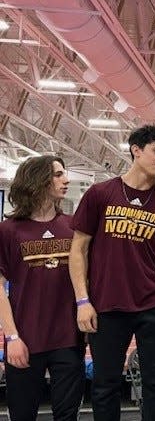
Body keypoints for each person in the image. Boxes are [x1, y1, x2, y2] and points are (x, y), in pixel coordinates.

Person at [69, 124, 155, 421]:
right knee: (105, 384)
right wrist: (82, 300)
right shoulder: (100, 194)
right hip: (107, 304)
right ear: (136, 151)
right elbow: (78, 249)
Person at [0, 156, 83, 420]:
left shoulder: (74, 227)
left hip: (69, 338)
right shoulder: (9, 230)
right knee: (22, 414)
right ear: (37, 180)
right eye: (58, 175)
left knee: (67, 415)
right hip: (24, 338)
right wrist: (12, 337)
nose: (66, 180)